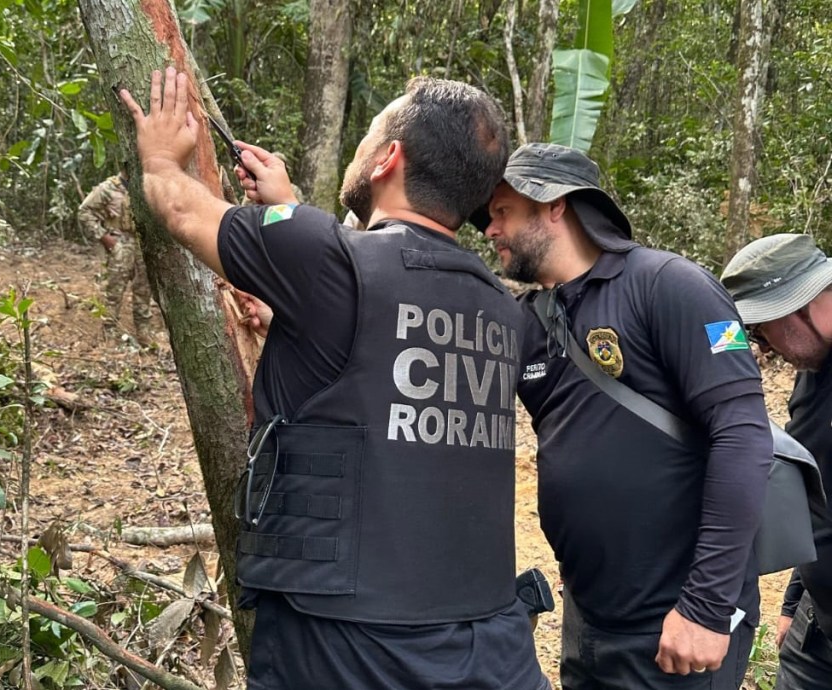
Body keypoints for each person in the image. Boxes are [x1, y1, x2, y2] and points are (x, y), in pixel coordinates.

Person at [120, 67, 549, 689]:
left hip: (343, 646)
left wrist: (161, 157)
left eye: (370, 135)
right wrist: (290, 218)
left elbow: (182, 211)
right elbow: (380, 330)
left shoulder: (328, 260)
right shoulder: (503, 307)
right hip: (489, 648)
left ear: (387, 159)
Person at [479, 142, 772, 689]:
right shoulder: (525, 322)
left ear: (554, 205)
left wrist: (707, 608)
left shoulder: (669, 286)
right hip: (588, 618)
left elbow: (744, 437)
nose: (490, 230)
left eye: (502, 212)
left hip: (676, 624)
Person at [720, 233, 832, 689]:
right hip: (817, 629)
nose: (764, 345)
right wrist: (794, 603)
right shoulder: (814, 374)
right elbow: (817, 497)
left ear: (799, 309)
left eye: (763, 327)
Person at [77, 170, 155, 347]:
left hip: (142, 244)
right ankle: (109, 331)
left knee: (144, 289)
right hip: (120, 243)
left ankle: (144, 332)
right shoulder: (107, 188)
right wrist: (104, 237)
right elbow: (84, 212)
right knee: (114, 290)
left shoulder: (144, 187)